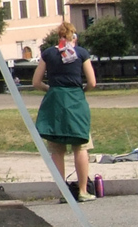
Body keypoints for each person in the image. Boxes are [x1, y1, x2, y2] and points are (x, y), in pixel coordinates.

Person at [32, 22, 97, 202]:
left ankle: (63, 193)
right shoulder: (82, 53)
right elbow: (92, 82)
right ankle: (83, 191)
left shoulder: (48, 54)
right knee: (81, 146)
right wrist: (81, 91)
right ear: (74, 37)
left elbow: (36, 82)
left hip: (55, 101)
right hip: (76, 100)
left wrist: (50, 89)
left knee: (57, 150)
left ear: (58, 36)